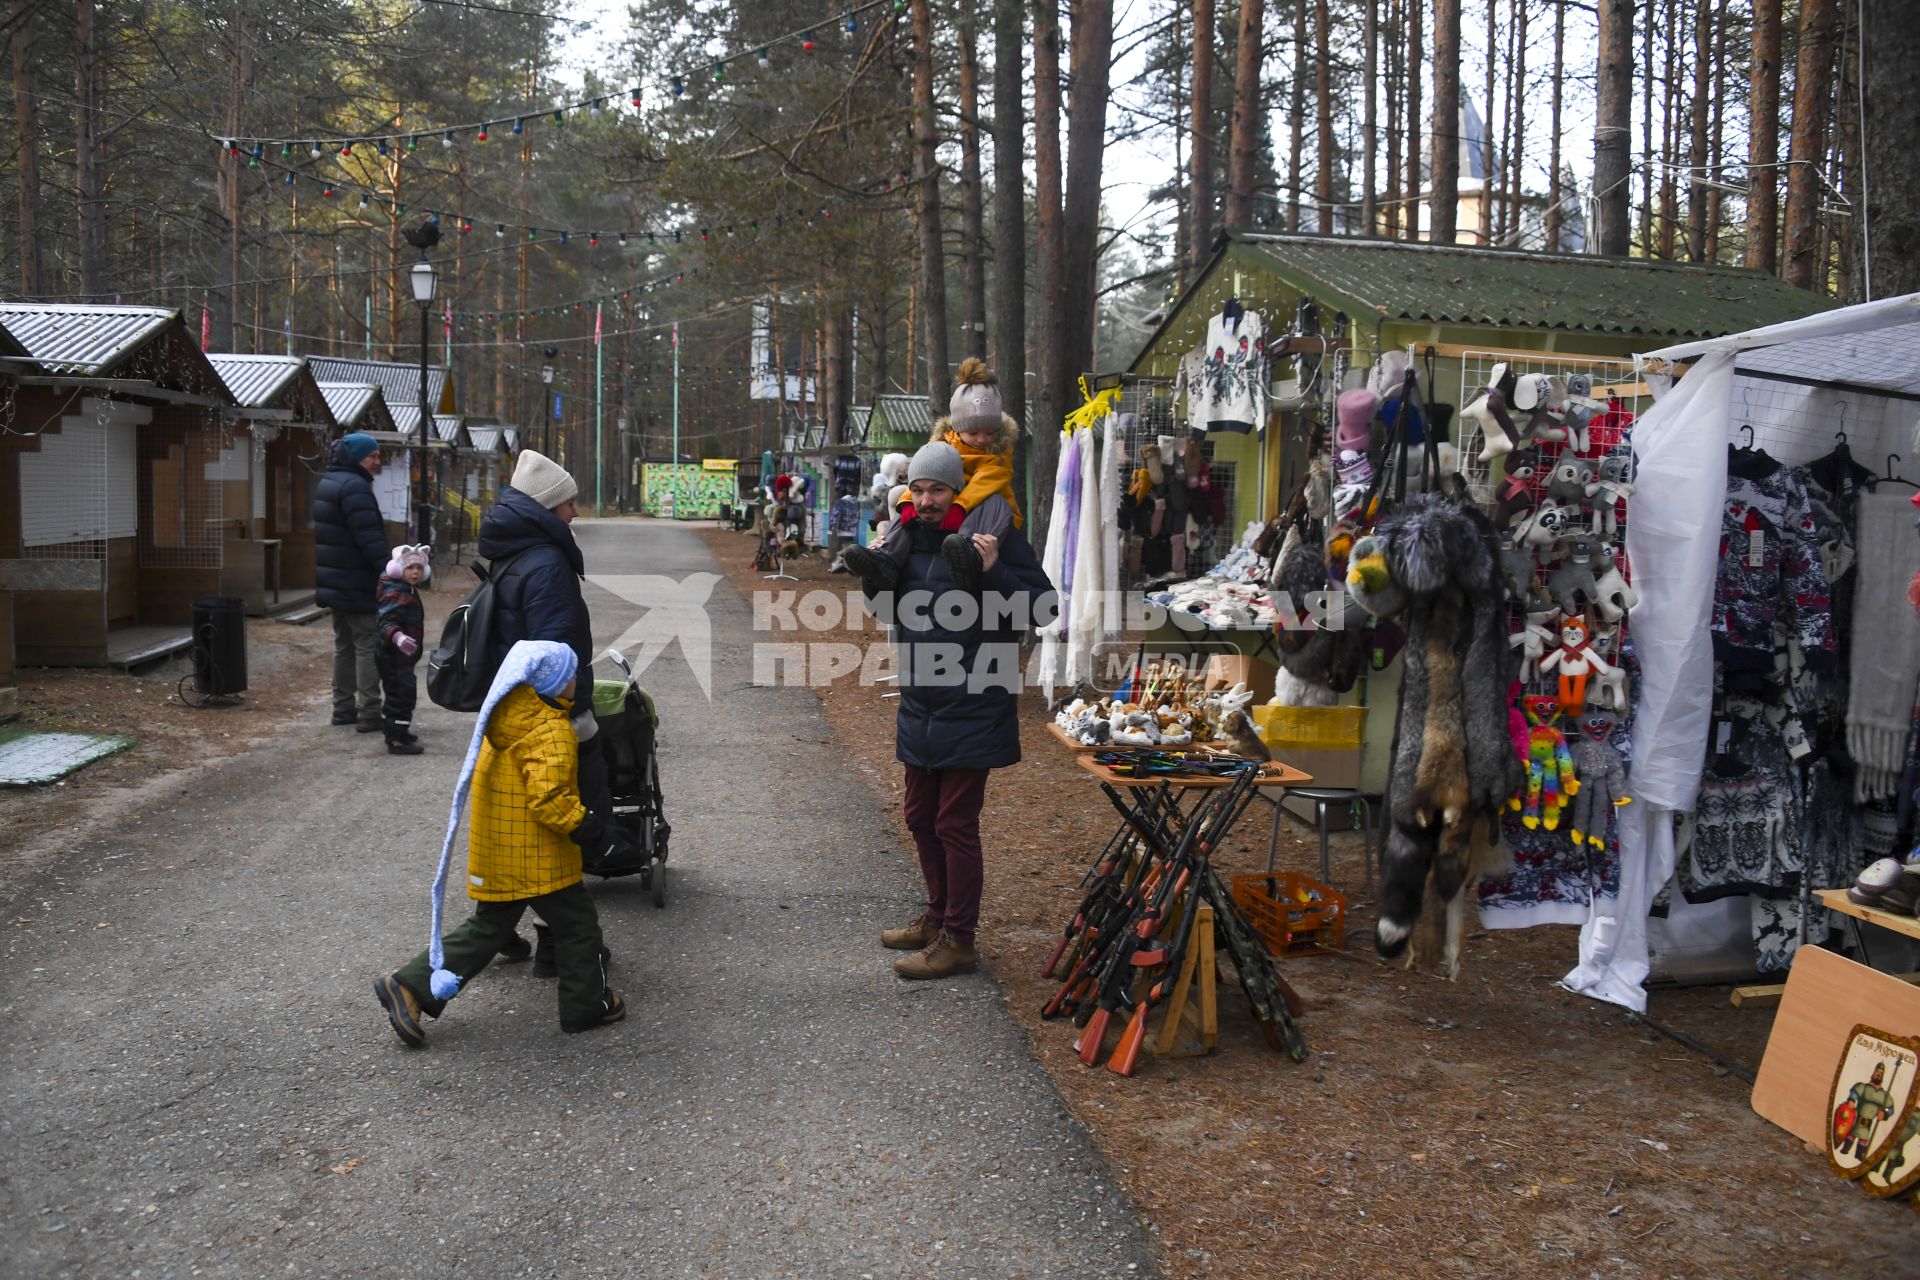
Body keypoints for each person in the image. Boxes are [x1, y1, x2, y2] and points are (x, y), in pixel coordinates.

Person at [862, 440, 1056, 980]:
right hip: (921, 698)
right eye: (918, 488)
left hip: (975, 700)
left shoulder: (994, 537)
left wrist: (995, 571)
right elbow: (886, 609)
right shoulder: (905, 539)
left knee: (954, 824)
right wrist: (875, 570)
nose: (926, 500)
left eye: (937, 489)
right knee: (919, 818)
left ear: (956, 493)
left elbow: (1044, 608)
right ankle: (937, 917)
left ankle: (960, 940)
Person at [374, 640, 627, 1046]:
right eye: (571, 674)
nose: (577, 680)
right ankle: (587, 1004)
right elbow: (551, 801)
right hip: (540, 857)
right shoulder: (550, 730)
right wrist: (593, 830)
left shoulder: (507, 718)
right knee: (578, 926)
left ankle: (409, 986)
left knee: (490, 926)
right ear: (552, 683)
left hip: (500, 848)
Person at [476, 450, 612, 969]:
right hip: (549, 713)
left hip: (515, 707)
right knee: (566, 818)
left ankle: (504, 929)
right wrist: (575, 713)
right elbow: (557, 649)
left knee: (523, 821)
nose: (576, 513)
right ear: (548, 507)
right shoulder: (547, 562)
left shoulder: (513, 550)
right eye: (569, 503)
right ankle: (560, 942)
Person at [845, 357, 1024, 593]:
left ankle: (967, 553)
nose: (982, 439)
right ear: (958, 429)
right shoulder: (943, 446)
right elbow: (923, 477)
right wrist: (910, 502)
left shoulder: (999, 454)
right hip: (946, 506)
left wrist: (959, 507)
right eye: (973, 432)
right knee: (903, 499)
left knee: (994, 502)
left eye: (989, 432)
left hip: (981, 515)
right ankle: (886, 558)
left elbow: (983, 484)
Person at [313, 432, 392, 732]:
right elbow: (369, 538)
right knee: (366, 645)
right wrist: (390, 570)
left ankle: (342, 707)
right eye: (372, 456)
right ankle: (369, 711)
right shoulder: (355, 487)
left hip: (335, 581)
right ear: (357, 458)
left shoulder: (330, 483)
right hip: (356, 581)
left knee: (344, 645)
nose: (376, 462)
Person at [375, 544, 430, 756]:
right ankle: (396, 739)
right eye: (410, 568)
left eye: (419, 567)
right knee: (401, 695)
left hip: (402, 658)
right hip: (393, 656)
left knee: (402, 693)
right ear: (399, 569)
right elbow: (386, 621)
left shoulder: (405, 588)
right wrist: (398, 637)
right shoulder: (394, 591)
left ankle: (399, 730)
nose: (415, 572)